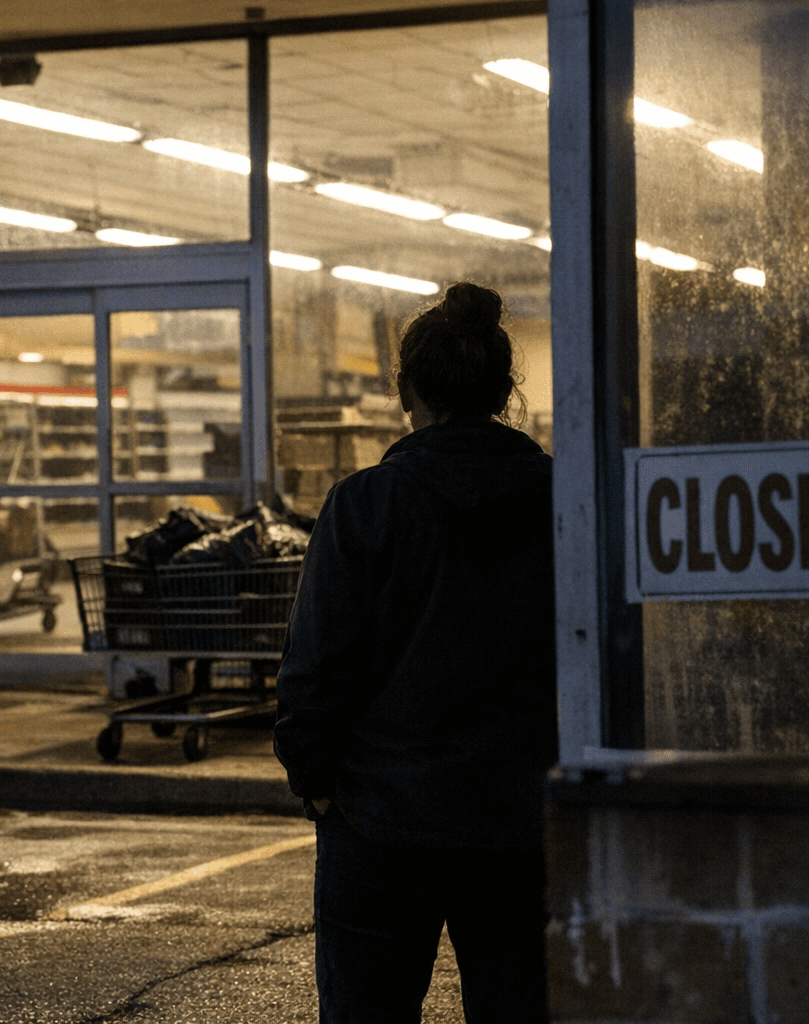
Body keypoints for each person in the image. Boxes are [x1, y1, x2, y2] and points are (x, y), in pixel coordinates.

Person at [274, 282, 557, 1024]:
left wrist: (317, 782)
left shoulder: (365, 504)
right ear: (504, 389)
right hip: (523, 817)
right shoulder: (561, 499)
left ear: (406, 390)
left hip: (382, 818)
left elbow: (314, 668)